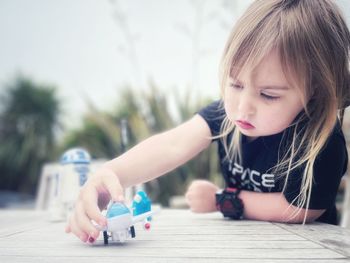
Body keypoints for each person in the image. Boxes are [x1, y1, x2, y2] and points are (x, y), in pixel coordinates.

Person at [65, 0, 350, 243]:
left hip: (306, 248)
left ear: (315, 92)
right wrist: (109, 176)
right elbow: (172, 145)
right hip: (242, 245)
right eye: (235, 85)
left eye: (268, 95)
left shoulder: (321, 139)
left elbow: (300, 209)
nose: (243, 108)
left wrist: (222, 201)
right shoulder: (227, 117)